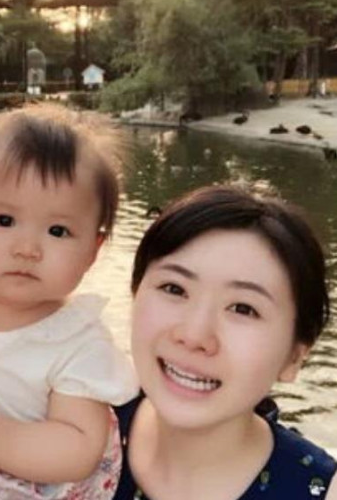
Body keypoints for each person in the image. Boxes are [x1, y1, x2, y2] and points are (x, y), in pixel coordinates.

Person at [0, 105, 139, 499]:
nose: (27, 249)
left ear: (93, 250)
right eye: (4, 221)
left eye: (58, 231)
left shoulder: (80, 345)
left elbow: (78, 449)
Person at [114, 185, 336, 499]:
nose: (194, 336)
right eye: (174, 289)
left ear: (294, 357)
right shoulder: (66, 425)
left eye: (243, 308)